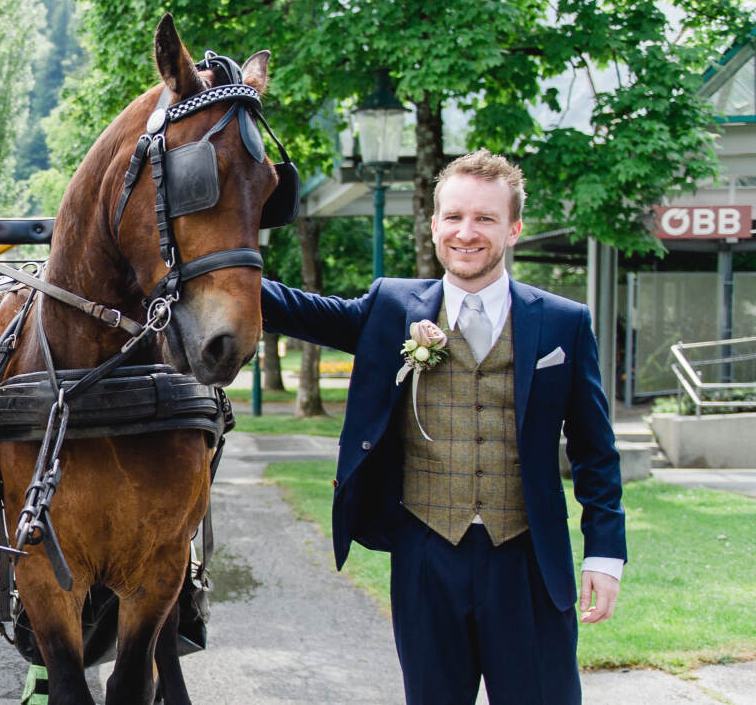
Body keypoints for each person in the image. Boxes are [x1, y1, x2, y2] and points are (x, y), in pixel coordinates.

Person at [260, 151, 625, 704]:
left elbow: (596, 452)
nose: (466, 232)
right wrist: (209, 265)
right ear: (434, 225)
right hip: (426, 557)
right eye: (453, 217)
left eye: (484, 219)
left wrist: (604, 554)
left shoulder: (564, 323)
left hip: (527, 562)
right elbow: (299, 309)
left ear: (514, 228)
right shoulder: (390, 307)